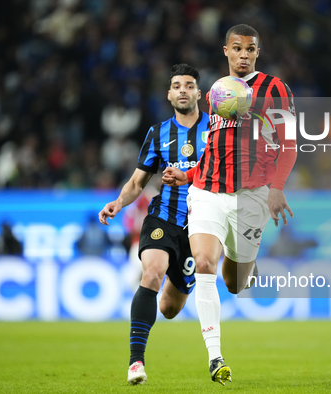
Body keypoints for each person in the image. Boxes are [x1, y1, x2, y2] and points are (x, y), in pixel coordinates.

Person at [162, 24, 297, 385]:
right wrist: (187, 177)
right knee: (204, 261)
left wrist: (278, 188)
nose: (243, 55)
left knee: (235, 282)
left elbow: (289, 145)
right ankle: (215, 356)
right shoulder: (217, 93)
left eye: (249, 49)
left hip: (252, 196)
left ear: (257, 52)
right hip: (207, 192)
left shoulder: (277, 90)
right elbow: (213, 154)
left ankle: (234, 267)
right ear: (225, 51)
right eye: (236, 48)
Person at [98, 64, 209, 385]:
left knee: (170, 307)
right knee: (151, 272)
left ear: (199, 93)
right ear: (169, 94)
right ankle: (136, 363)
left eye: (189, 85)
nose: (183, 90)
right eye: (177, 85)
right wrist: (118, 202)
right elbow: (137, 182)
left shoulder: (216, 129)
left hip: (201, 225)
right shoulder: (157, 133)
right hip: (164, 216)